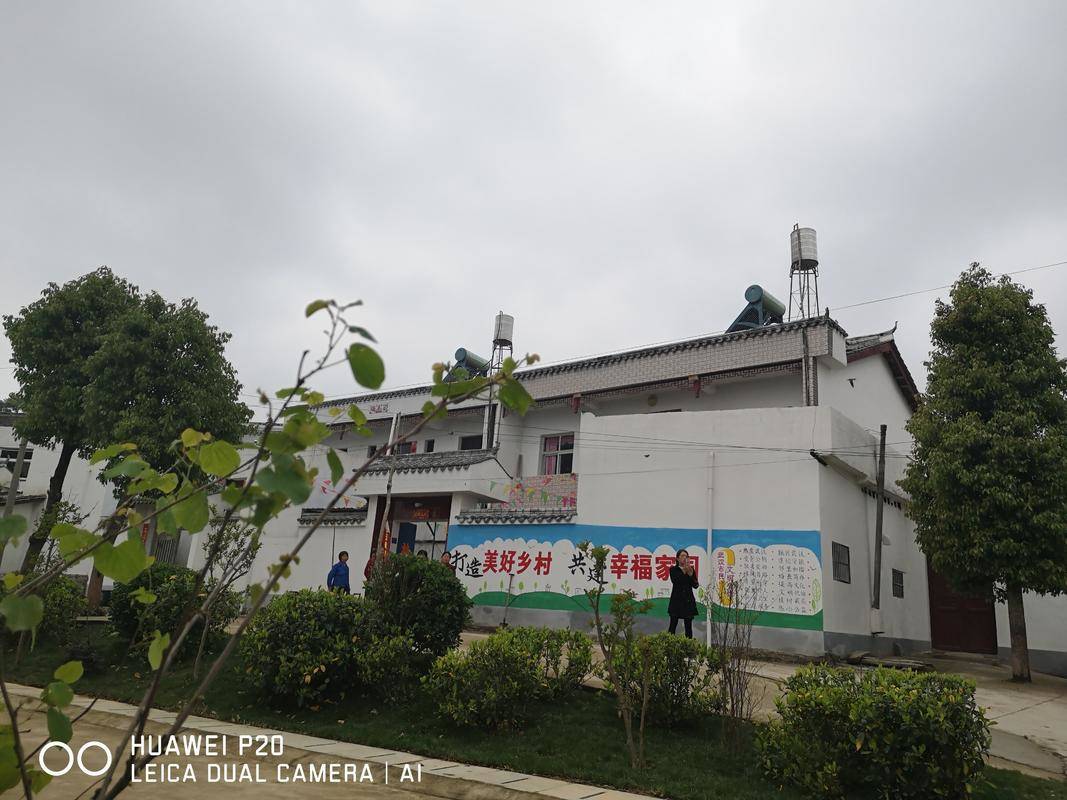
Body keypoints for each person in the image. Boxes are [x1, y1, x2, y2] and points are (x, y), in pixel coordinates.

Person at [667, 548, 698, 638]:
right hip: (676, 601)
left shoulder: (691, 569)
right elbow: (676, 580)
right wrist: (685, 570)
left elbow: (695, 585)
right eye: (682, 556)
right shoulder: (673, 569)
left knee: (688, 627)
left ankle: (689, 648)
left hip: (688, 601)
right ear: (677, 558)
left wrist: (691, 575)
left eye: (686, 556)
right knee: (672, 626)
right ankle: (669, 645)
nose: (685, 558)